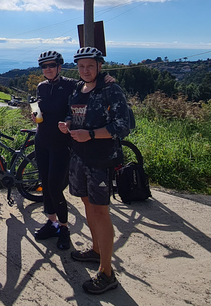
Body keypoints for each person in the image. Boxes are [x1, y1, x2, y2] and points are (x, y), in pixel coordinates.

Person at [58, 46, 134, 295]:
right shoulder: (79, 89)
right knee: (87, 204)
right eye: (81, 66)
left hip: (101, 160)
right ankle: (96, 250)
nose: (85, 70)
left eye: (90, 65)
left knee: (101, 212)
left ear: (100, 66)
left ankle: (107, 273)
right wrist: (67, 123)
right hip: (79, 158)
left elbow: (123, 125)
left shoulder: (110, 89)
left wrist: (90, 134)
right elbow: (72, 112)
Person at [31, 50, 76, 250]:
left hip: (61, 143)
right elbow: (39, 111)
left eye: (51, 65)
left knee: (55, 188)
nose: (47, 69)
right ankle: (52, 222)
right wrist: (34, 115)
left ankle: (64, 229)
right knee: (45, 186)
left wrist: (68, 121)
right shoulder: (41, 87)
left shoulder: (72, 85)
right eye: (44, 66)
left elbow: (77, 108)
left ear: (59, 66)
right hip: (42, 140)